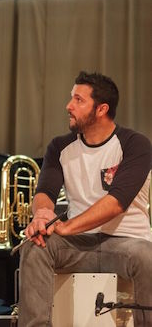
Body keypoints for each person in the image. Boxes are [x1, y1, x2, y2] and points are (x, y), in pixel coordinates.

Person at [18, 72, 152, 326]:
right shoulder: (59, 147)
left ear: (101, 109)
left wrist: (67, 226)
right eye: (71, 98)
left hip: (127, 243)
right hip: (78, 245)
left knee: (148, 257)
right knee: (35, 247)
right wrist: (43, 215)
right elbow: (45, 191)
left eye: (78, 100)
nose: (69, 106)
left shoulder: (136, 144)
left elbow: (116, 203)